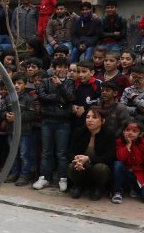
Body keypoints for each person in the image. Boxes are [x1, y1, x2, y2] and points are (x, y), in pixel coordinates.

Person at [34, 56, 74, 192]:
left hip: (63, 122)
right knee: (46, 152)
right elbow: (42, 97)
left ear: (68, 69)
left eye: (64, 67)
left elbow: (70, 98)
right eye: (59, 67)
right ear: (54, 68)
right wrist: (58, 98)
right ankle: (44, 177)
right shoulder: (45, 81)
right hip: (47, 121)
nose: (61, 70)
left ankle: (63, 178)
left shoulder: (69, 83)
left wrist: (60, 85)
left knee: (61, 153)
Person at [67, 107, 115, 200]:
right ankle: (77, 186)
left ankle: (98, 188)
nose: (90, 120)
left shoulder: (109, 134)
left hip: (97, 167)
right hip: (82, 166)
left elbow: (110, 157)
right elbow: (69, 153)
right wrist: (78, 159)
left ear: (102, 121)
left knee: (101, 168)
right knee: (72, 166)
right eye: (87, 117)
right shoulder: (79, 132)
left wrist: (88, 159)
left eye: (94, 117)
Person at [113, 122, 144, 204]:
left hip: (139, 174)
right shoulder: (119, 141)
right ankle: (118, 192)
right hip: (125, 172)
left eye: (134, 131)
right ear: (123, 131)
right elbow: (120, 158)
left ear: (140, 134)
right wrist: (128, 144)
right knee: (117, 164)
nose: (130, 133)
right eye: (127, 130)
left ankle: (135, 188)